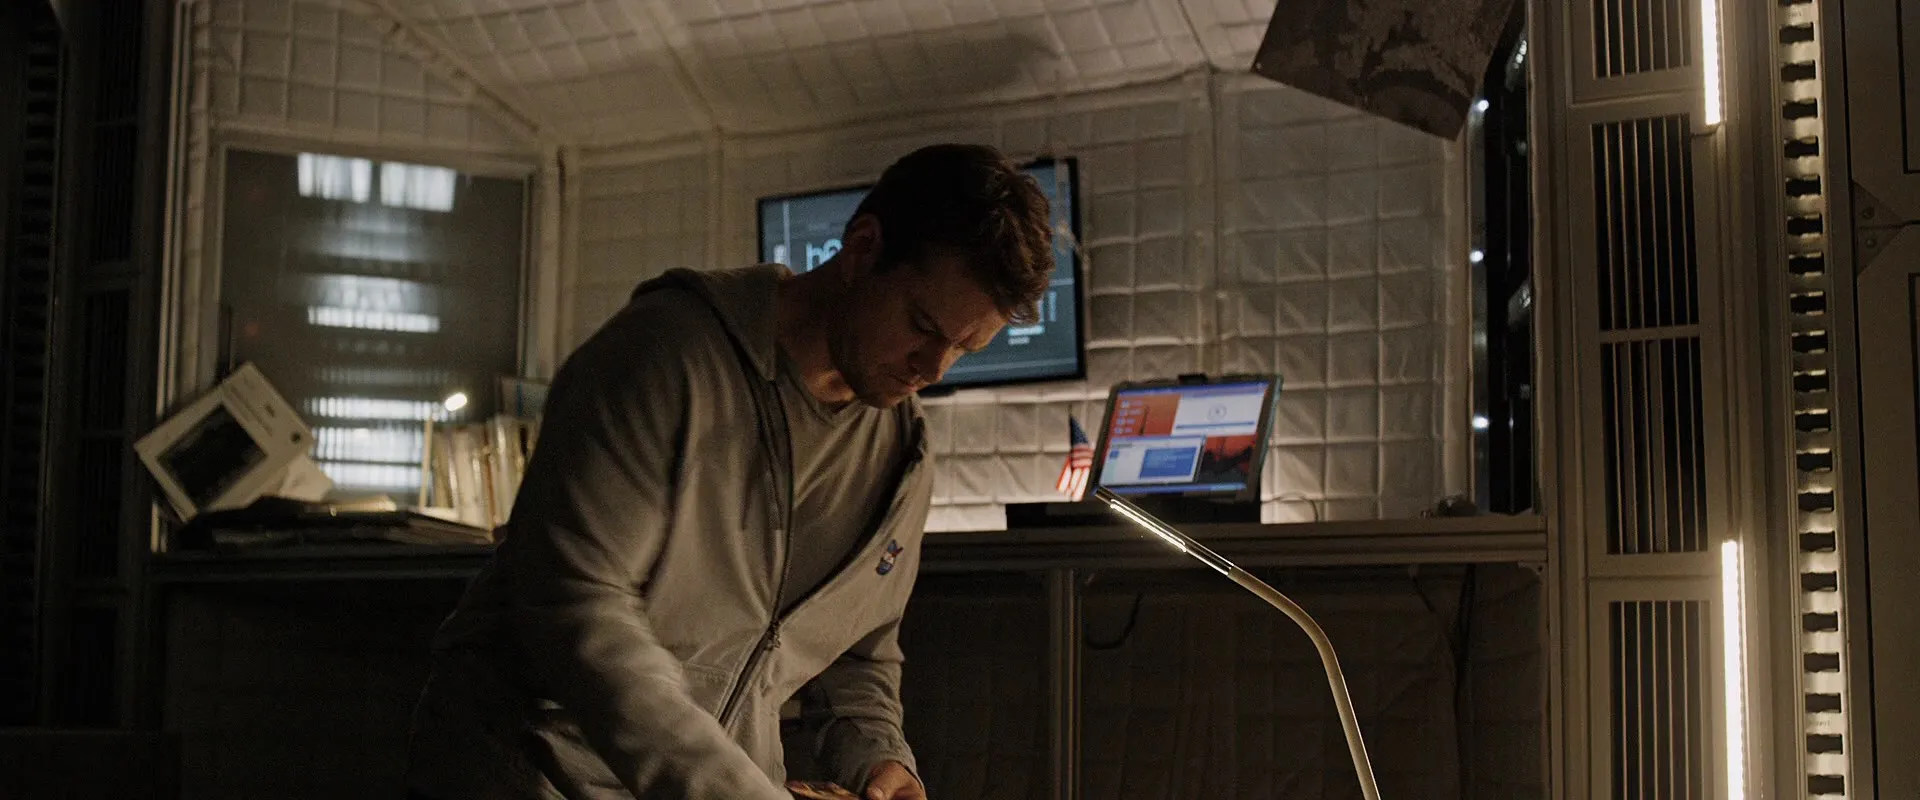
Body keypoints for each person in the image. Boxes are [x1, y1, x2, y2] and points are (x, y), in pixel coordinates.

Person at [404, 143, 1056, 800]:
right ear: (863, 249)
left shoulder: (901, 453)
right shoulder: (666, 355)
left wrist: (881, 757)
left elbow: (858, 656)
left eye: (964, 348)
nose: (934, 368)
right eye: (922, 325)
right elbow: (576, 604)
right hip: (530, 778)